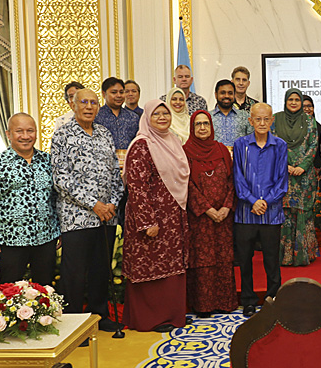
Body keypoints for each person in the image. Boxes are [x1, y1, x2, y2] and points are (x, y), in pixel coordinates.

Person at [51, 89, 123, 332]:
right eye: (84, 102)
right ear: (73, 105)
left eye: (94, 102)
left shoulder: (104, 133)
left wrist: (112, 202)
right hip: (77, 218)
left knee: (101, 270)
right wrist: (94, 205)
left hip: (106, 218)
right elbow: (60, 177)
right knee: (74, 274)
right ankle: (74, 326)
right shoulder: (62, 134)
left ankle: (99, 316)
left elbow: (115, 172)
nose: (90, 106)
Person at [122, 99, 192, 332]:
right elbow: (137, 186)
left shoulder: (172, 141)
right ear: (147, 118)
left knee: (171, 266)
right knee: (151, 267)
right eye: (157, 114)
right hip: (151, 220)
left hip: (172, 217)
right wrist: (147, 221)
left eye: (166, 113)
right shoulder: (142, 145)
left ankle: (172, 314)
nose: (162, 118)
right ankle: (151, 318)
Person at [0, 113, 60, 286]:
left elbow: (57, 198)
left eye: (30, 131)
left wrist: (60, 229)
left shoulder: (49, 161)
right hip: (9, 240)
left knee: (46, 290)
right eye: (19, 131)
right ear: (8, 134)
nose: (26, 136)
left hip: (46, 238)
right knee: (10, 292)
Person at [233, 103, 289, 317]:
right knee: (245, 260)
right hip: (245, 214)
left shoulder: (280, 145)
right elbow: (238, 178)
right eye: (258, 119)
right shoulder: (240, 145)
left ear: (272, 120)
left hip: (271, 213)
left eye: (266, 119)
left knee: (271, 260)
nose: (262, 123)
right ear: (250, 121)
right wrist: (252, 200)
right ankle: (248, 300)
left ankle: (273, 299)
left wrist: (265, 201)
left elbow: (282, 180)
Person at [185, 110, 237, 317]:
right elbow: (186, 184)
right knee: (203, 260)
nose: (202, 128)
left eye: (206, 123)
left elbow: (233, 180)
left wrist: (226, 207)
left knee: (223, 257)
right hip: (200, 218)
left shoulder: (222, 149)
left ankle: (225, 302)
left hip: (224, 216)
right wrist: (207, 210)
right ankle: (204, 306)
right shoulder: (185, 151)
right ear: (192, 127)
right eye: (198, 124)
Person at [273, 88, 319, 266]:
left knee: (303, 213)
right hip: (282, 174)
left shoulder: (309, 120)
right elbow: (273, 144)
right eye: (290, 99)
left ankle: (303, 255)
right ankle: (285, 256)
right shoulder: (276, 120)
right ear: (285, 101)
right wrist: (286, 166)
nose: (293, 102)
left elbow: (313, 145)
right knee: (285, 214)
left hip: (304, 177)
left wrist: (302, 166)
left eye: (297, 100)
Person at [95, 77, 141, 168]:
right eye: (114, 92)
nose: (119, 95)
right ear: (104, 94)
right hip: (104, 166)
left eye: (121, 92)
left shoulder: (133, 117)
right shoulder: (96, 116)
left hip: (129, 166)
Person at [211, 79, 253, 146]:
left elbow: (252, 141)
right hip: (215, 156)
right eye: (223, 93)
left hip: (240, 156)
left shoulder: (244, 116)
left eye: (230, 93)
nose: (227, 96)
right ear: (216, 95)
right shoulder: (208, 117)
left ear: (234, 95)